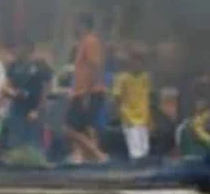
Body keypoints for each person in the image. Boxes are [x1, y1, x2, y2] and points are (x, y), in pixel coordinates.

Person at [65, 13, 107, 164]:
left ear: (83, 25)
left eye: (76, 24)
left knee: (70, 127)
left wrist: (87, 92)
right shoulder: (82, 43)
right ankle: (86, 156)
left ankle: (97, 154)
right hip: (81, 90)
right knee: (87, 127)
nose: (74, 27)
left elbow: (95, 66)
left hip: (88, 91)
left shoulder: (90, 41)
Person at [4, 40, 51, 151]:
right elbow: (7, 85)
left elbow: (46, 88)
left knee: (33, 143)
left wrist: (38, 109)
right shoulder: (13, 66)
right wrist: (13, 92)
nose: (16, 50)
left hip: (34, 108)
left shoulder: (40, 65)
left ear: (28, 48)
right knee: (15, 142)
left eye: (19, 47)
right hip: (17, 108)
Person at [112, 47, 152, 161]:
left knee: (145, 149)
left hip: (143, 117)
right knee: (136, 150)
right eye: (135, 61)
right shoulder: (122, 78)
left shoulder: (145, 77)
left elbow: (147, 97)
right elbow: (117, 97)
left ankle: (143, 171)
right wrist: (118, 113)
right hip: (129, 117)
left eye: (141, 61)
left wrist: (150, 118)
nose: (138, 64)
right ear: (130, 62)